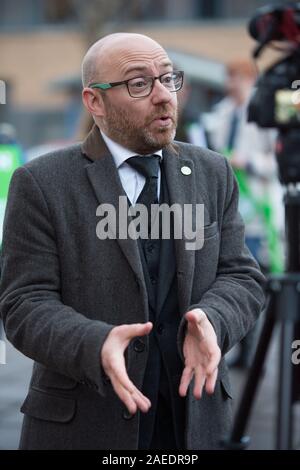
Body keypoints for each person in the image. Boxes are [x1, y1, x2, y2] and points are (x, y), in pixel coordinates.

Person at [0, 33, 265, 450]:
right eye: (139, 84)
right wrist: (95, 342)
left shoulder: (213, 172)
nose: (163, 97)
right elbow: (23, 303)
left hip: (195, 422)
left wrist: (213, 320)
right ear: (94, 102)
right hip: (85, 424)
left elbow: (241, 276)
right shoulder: (41, 183)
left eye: (168, 79)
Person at [204, 59, 283, 367]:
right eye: (229, 78)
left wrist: (247, 161)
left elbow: (278, 159)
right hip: (229, 205)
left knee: (251, 276)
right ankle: (241, 347)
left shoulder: (263, 112)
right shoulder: (222, 114)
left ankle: (252, 350)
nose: (230, 85)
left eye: (236, 78)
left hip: (258, 208)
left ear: (250, 80)